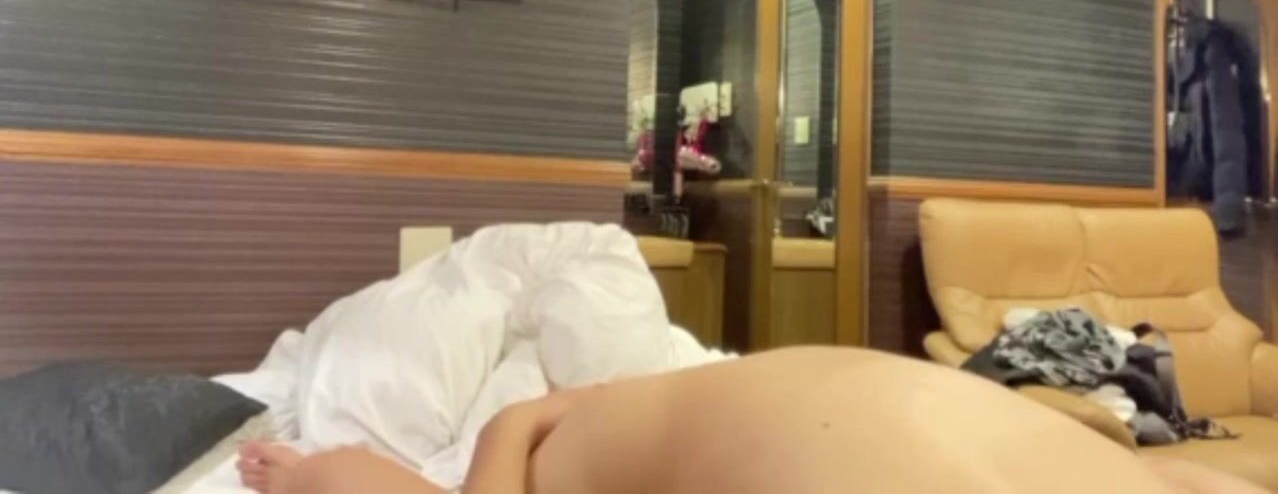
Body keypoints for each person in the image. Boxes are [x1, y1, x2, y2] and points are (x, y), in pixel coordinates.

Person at [237, 347, 1263, 494]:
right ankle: (312, 470)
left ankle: (309, 470)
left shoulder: (551, 422)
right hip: (936, 420)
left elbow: (516, 417)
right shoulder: (590, 416)